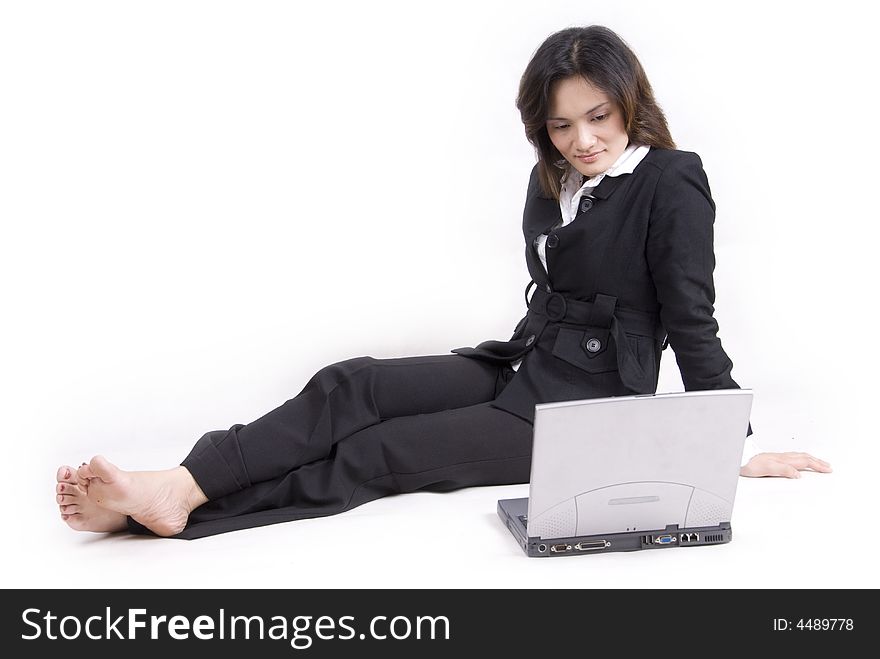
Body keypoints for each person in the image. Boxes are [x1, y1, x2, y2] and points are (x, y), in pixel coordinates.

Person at [55, 25, 831, 540]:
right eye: (561, 125)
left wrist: (727, 444)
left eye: (597, 116)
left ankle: (164, 517)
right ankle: (185, 478)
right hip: (521, 364)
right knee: (348, 385)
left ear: (631, 102)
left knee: (379, 453)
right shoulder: (551, 178)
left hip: (579, 408)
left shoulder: (671, 180)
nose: (582, 140)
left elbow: (692, 319)